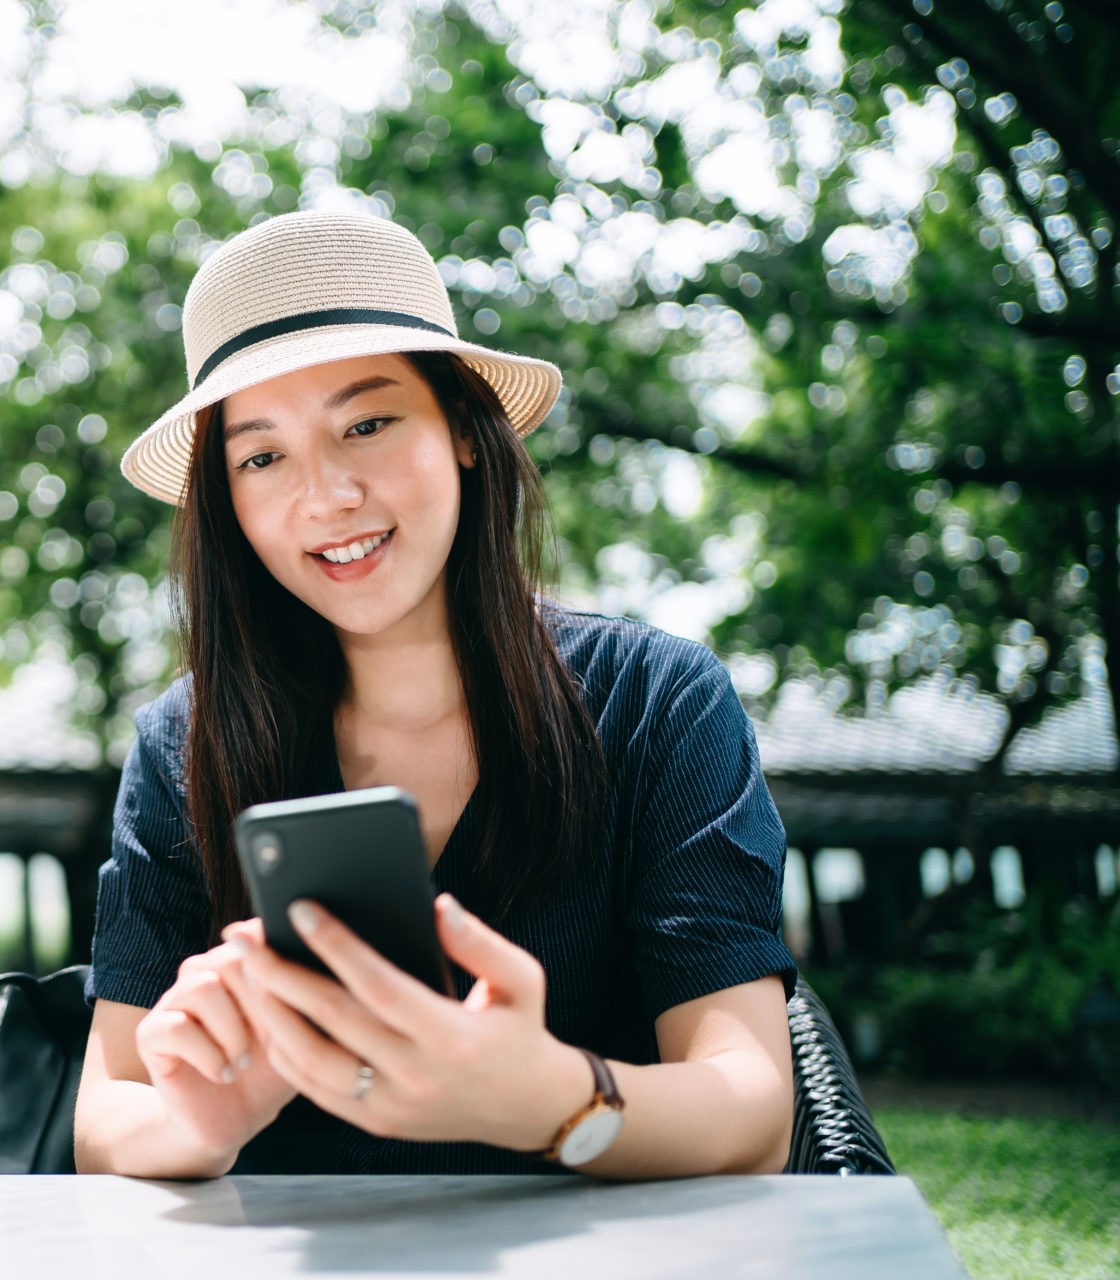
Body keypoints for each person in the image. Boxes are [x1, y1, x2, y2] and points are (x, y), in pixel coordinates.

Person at [71, 210, 798, 1180]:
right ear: (227, 500)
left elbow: (753, 1107)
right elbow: (106, 1109)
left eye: (367, 422)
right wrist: (208, 1120)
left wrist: (548, 1098)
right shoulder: (183, 740)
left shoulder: (659, 702)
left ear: (462, 426)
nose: (325, 494)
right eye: (261, 455)